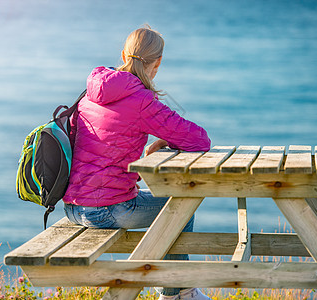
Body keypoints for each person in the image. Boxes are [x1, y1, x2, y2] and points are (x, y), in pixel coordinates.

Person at [63, 25, 211, 300]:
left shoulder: (91, 92)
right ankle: (176, 294)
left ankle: (176, 290)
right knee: (180, 206)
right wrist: (165, 141)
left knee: (166, 205)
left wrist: (160, 141)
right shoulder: (141, 100)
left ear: (123, 54)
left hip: (72, 207)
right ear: (157, 63)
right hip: (107, 210)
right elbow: (199, 140)